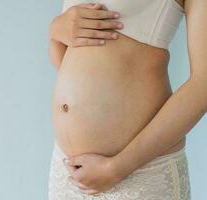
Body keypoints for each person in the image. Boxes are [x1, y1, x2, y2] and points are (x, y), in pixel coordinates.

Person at [48, 0, 206, 199]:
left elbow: (203, 84)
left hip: (139, 171)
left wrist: (117, 167)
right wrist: (55, 31)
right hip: (67, 172)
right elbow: (72, 64)